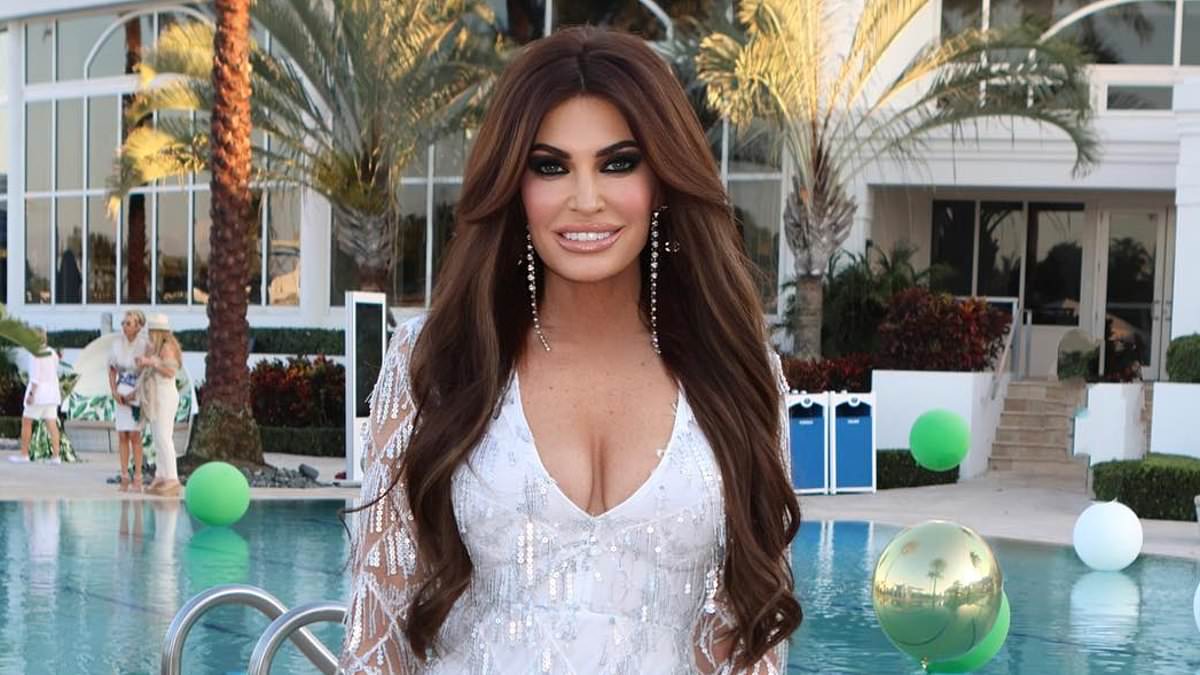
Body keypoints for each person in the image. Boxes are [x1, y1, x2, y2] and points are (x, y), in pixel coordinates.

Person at [339, 27, 801, 675]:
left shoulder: (735, 369)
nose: (586, 200)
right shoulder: (436, 359)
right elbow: (377, 638)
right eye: (551, 166)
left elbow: (753, 643)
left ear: (663, 179)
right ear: (514, 185)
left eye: (618, 163)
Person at [137, 313, 183, 497]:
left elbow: (170, 371)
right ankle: (161, 474)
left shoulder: (167, 347)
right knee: (157, 437)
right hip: (157, 396)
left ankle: (172, 477)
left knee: (164, 437)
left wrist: (151, 363)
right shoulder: (155, 348)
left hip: (165, 396)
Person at [109, 309, 149, 492]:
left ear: (138, 326)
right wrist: (114, 391)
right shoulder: (117, 344)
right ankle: (124, 474)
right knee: (122, 434)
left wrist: (135, 393)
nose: (125, 326)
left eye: (129, 323)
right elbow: (111, 369)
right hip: (121, 392)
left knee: (135, 435)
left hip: (137, 392)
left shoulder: (144, 345)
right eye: (123, 323)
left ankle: (138, 475)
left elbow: (147, 373)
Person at [19, 329, 62, 463]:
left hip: (39, 394)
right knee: (52, 424)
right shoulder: (52, 352)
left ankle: (24, 454)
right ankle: (56, 456)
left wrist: (31, 394)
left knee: (27, 422)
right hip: (52, 394)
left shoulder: (35, 353)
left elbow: (35, 377)